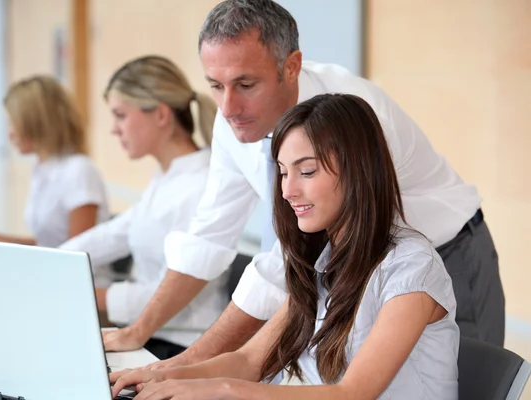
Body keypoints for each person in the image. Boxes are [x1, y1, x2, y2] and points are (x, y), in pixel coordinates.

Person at [104, 0, 504, 357]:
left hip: (446, 253)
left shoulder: (354, 116)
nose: (227, 107)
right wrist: (139, 332)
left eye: (245, 84)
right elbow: (208, 237)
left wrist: (189, 364)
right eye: (215, 86)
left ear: (291, 66)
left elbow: (293, 260)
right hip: (361, 267)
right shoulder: (235, 120)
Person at [110, 94, 459, 400]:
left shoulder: (413, 267)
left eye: (306, 172)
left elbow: (352, 394)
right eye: (282, 172)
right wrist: (160, 376)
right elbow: (248, 361)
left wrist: (220, 389)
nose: (287, 191)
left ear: (358, 172)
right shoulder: (325, 259)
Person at [58, 55, 226, 360]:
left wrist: (84, 292)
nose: (114, 129)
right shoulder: (167, 177)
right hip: (153, 336)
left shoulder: (199, 185)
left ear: (161, 115)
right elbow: (114, 234)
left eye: (120, 115)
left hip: (182, 347)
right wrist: (50, 263)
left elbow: (165, 292)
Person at [0, 75, 109, 248]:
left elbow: (77, 255)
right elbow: (47, 244)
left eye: (13, 122)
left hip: (78, 273)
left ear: (36, 123)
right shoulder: (42, 168)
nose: (10, 133)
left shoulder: (79, 171)